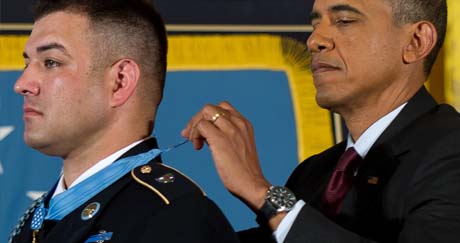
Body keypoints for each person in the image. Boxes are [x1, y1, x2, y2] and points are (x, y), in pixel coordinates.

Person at [182, 0, 460, 242]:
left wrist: (261, 193)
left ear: (416, 42)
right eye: (316, 23)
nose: (315, 40)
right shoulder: (315, 172)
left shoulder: (451, 151)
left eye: (344, 20)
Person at [9, 0, 239, 243]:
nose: (22, 84)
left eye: (51, 63)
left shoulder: (173, 216)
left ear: (120, 81)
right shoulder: (38, 219)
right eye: (27, 64)